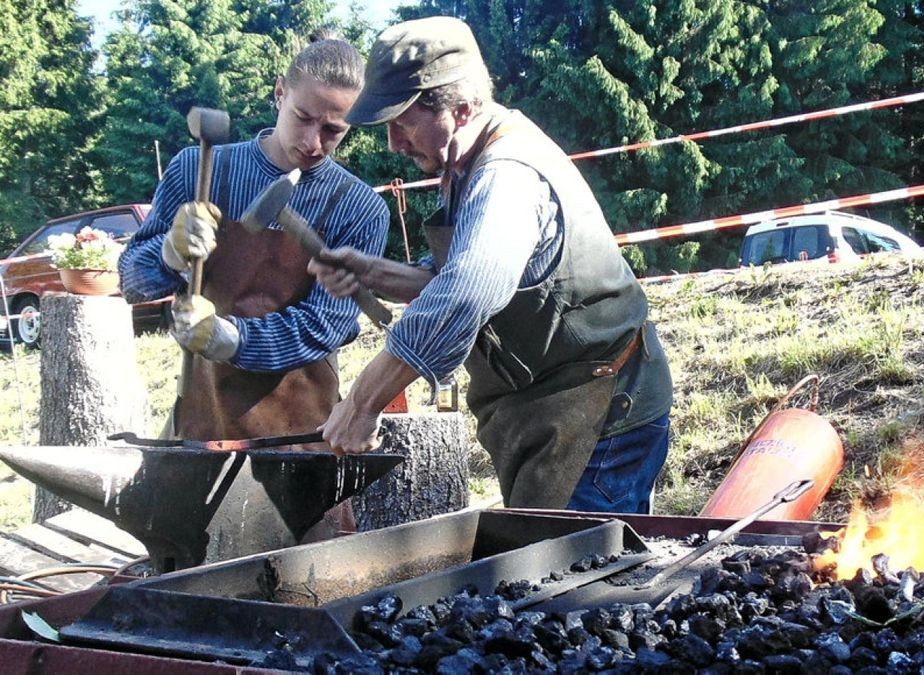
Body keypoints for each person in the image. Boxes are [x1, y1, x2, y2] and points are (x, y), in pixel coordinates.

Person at [308, 16, 673, 513]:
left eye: (403, 122)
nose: (393, 143)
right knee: (547, 570)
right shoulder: (467, 160)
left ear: (460, 110)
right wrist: (372, 271)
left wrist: (362, 402)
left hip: (599, 411)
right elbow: (470, 276)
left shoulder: (507, 176)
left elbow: (466, 291)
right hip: (549, 408)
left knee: (584, 581)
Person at [119, 30, 390, 445]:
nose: (313, 143)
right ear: (280, 93)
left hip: (299, 432)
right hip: (202, 415)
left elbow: (324, 326)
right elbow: (132, 282)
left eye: (334, 130)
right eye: (303, 117)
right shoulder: (201, 170)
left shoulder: (359, 207)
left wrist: (229, 339)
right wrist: (169, 255)